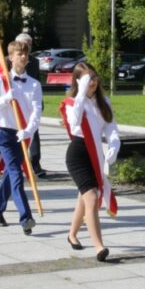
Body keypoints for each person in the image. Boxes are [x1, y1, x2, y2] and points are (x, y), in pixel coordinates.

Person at [60, 62, 120, 262]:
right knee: (92, 198)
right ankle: (99, 246)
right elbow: (75, 121)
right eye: (87, 79)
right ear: (78, 81)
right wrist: (81, 93)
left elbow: (111, 128)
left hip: (95, 152)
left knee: (84, 199)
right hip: (78, 153)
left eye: (94, 77)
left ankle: (72, 234)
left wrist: (114, 144)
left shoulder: (104, 102)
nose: (92, 82)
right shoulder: (72, 103)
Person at [0, 40, 40, 232]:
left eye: (25, 54)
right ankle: (26, 218)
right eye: (18, 54)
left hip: (23, 133)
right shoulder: (1, 81)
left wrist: (29, 130)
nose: (23, 57)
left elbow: (36, 112)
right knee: (16, 173)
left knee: (9, 174)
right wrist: (6, 98)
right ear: (10, 57)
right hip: (5, 132)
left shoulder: (34, 84)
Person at [16, 32, 46, 177]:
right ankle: (16, 163)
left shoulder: (35, 61)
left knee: (33, 132)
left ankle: (35, 164)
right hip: (14, 102)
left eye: (29, 44)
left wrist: (39, 103)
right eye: (25, 44)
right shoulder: (8, 60)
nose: (28, 47)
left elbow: (37, 82)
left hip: (30, 102)